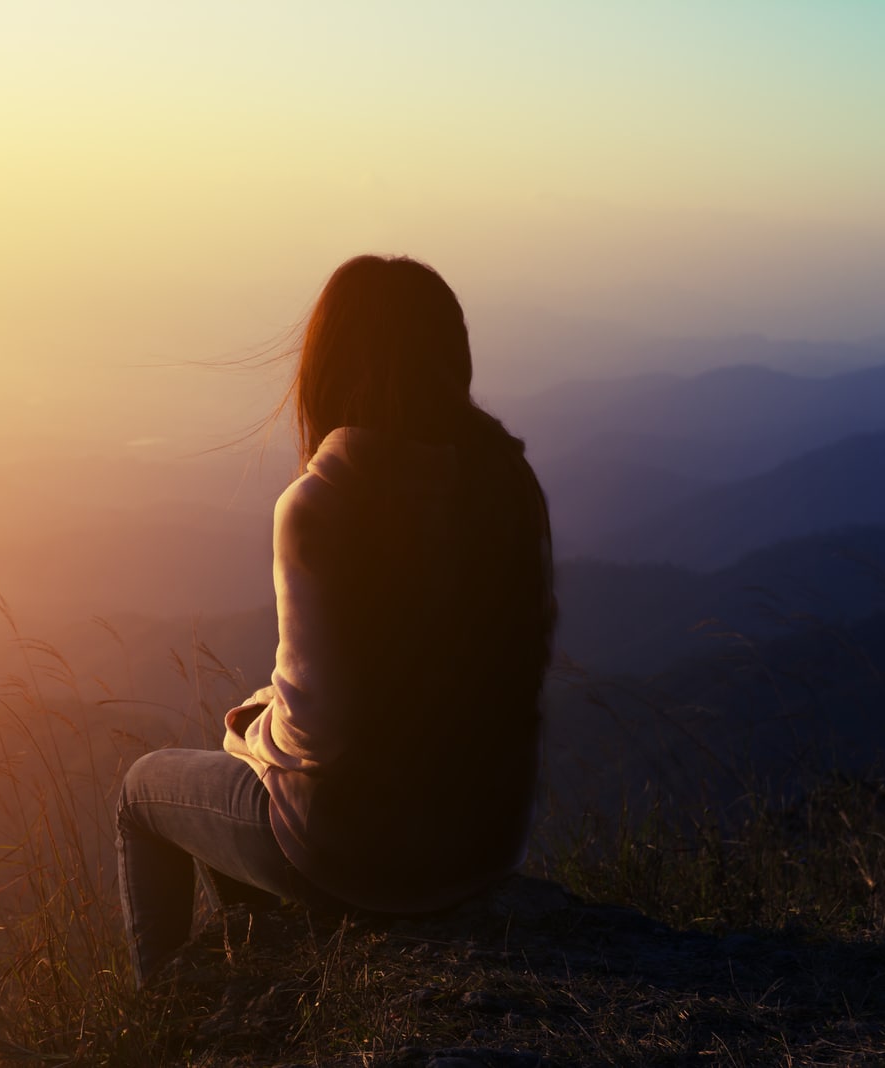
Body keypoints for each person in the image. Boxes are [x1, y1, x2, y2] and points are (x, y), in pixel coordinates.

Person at [115, 255, 556, 987]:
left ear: (327, 365)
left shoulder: (325, 500)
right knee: (252, 755)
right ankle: (262, 967)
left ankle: (167, 1017)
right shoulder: (507, 485)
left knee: (140, 790)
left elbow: (315, 737)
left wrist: (249, 730)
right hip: (487, 842)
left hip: (366, 860)